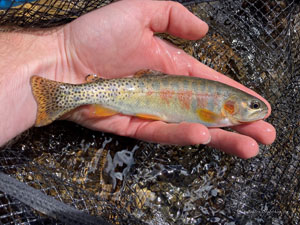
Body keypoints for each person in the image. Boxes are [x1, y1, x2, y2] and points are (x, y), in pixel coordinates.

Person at [0, 0, 275, 158]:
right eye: (252, 105)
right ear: (232, 104)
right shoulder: (216, 113)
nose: (256, 109)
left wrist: (56, 51)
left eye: (252, 106)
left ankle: (62, 95)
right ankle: (65, 96)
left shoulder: (221, 110)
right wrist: (63, 50)